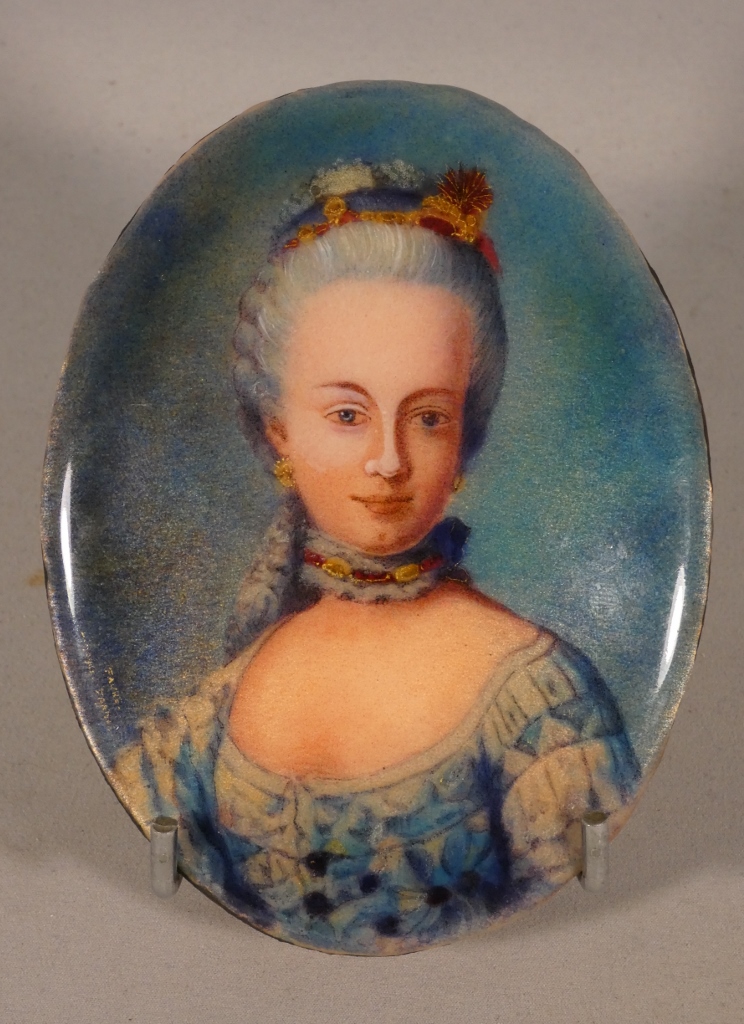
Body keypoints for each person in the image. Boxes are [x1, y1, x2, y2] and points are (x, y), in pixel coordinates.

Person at [112, 164, 639, 955]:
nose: (388, 461)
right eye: (347, 414)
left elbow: (573, 942)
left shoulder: (542, 703)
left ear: (464, 438)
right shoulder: (210, 715)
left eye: (427, 418)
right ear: (280, 430)